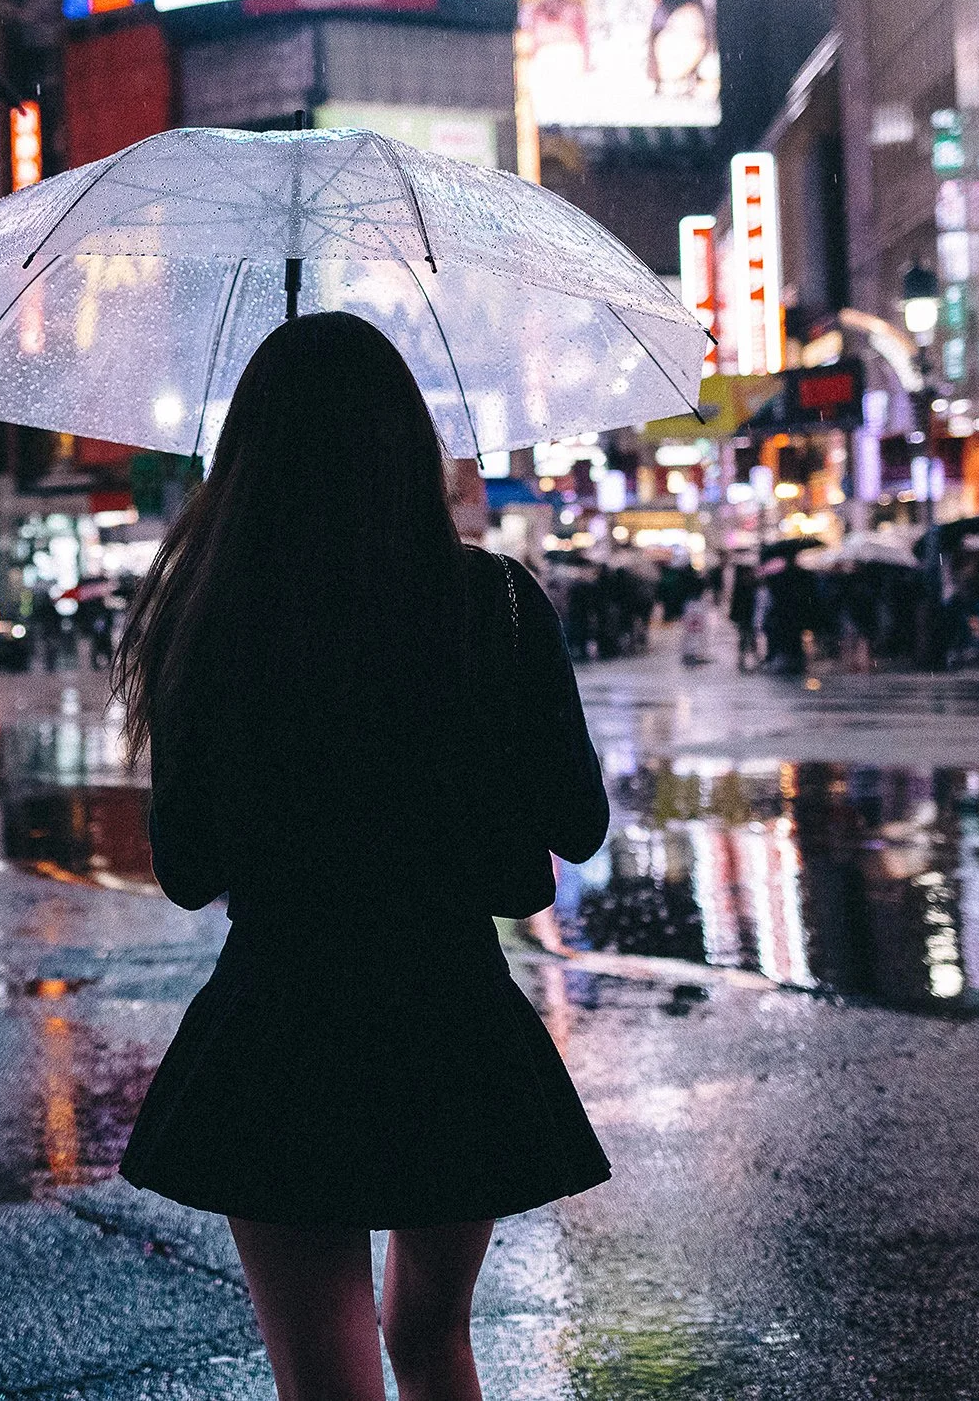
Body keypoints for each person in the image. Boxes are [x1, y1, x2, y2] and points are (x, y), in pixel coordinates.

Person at [111, 313, 611, 1401]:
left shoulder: (216, 615)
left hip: (282, 1023)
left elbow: (188, 866)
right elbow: (573, 825)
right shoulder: (494, 605)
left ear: (248, 453)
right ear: (407, 444)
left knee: (324, 1376)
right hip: (447, 1009)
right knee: (430, 1337)